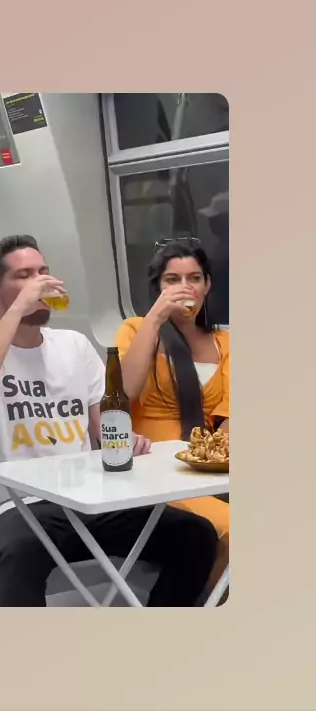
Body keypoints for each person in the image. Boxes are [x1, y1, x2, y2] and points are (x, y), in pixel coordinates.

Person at [0, 234, 218, 607]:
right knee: (23, 553)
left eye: (43, 271)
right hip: (15, 506)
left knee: (195, 535)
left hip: (88, 499)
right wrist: (18, 310)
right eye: (24, 276)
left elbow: (102, 426)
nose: (40, 282)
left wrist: (124, 439)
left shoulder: (73, 345)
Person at [114, 237, 229, 589]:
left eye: (194, 278)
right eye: (172, 279)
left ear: (207, 285)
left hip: (207, 464)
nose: (185, 287)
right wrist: (155, 319)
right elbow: (122, 394)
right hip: (154, 467)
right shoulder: (136, 330)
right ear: (158, 287)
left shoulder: (225, 344)